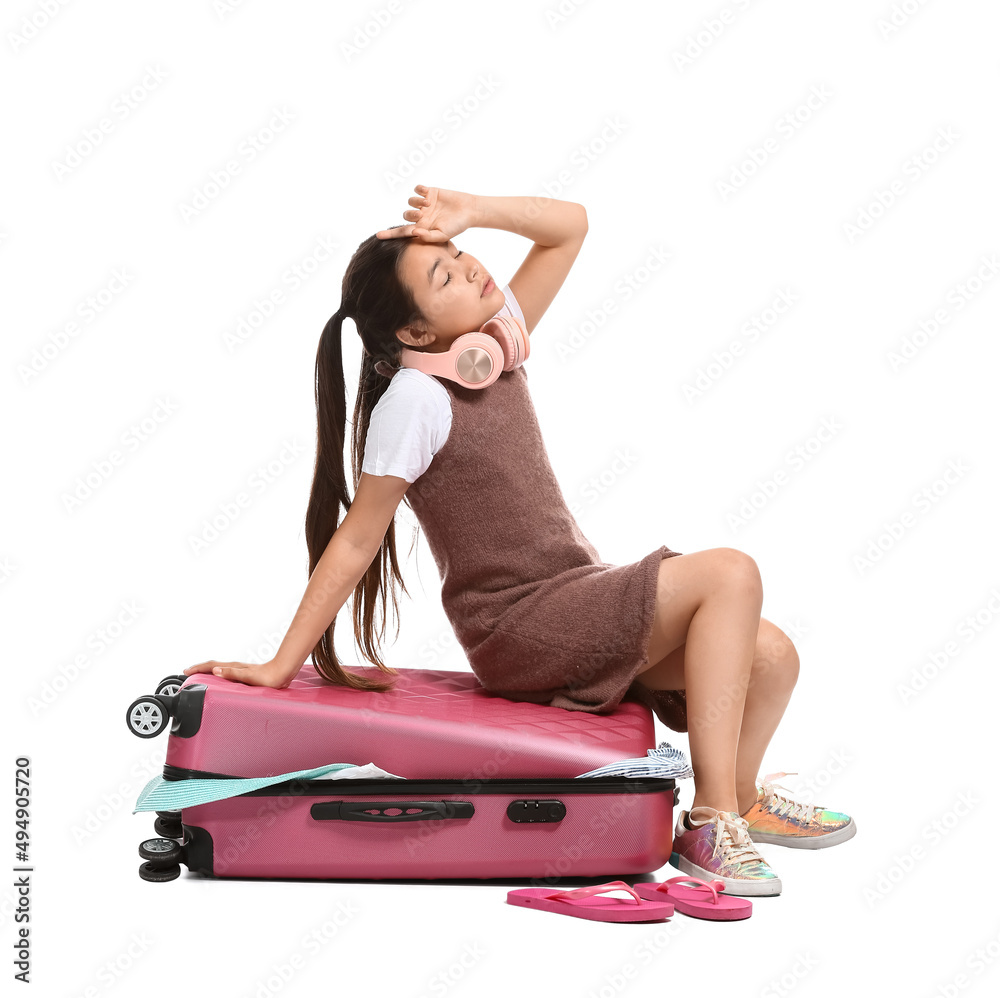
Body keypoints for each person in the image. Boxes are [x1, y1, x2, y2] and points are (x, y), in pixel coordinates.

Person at [183, 186, 855, 895]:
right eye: (442, 275)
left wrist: (470, 209)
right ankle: (710, 821)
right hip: (520, 627)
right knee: (729, 574)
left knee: (773, 657)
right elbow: (355, 542)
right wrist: (281, 664)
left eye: (459, 253)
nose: (469, 267)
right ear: (413, 334)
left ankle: (742, 797)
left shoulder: (488, 348)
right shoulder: (415, 399)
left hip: (573, 600)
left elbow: (571, 228)